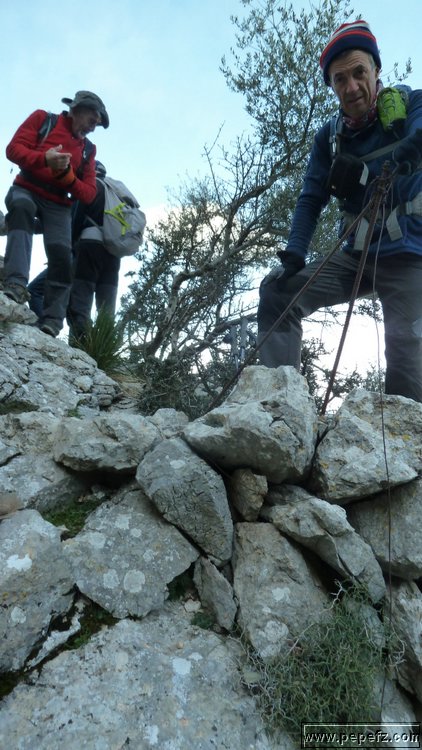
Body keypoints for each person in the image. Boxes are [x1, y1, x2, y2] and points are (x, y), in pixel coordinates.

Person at [257, 20, 422, 403]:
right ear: (331, 85)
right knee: (278, 294)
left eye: (359, 72)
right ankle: (278, 407)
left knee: (405, 355)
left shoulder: (412, 105)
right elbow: (310, 198)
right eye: (339, 79)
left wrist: (409, 150)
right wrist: (295, 252)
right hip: (356, 255)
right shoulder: (330, 138)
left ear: (376, 69)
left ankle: (410, 438)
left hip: (409, 255)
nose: (351, 87)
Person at [1, 90, 109, 337]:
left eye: (96, 124)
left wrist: (69, 179)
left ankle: (52, 320)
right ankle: (15, 283)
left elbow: (89, 193)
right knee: (22, 209)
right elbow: (13, 150)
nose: (93, 128)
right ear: (76, 110)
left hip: (59, 203)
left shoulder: (88, 150)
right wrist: (44, 159)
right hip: (27, 187)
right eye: (92, 120)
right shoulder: (43, 120)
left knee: (62, 253)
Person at [66, 160, 121, 342]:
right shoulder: (116, 193)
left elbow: (76, 219)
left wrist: (71, 245)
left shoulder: (90, 187)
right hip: (114, 251)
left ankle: (79, 343)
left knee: (81, 295)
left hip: (90, 244)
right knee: (107, 305)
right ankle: (104, 346)